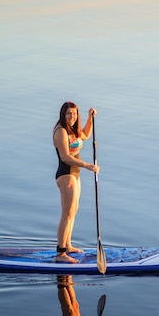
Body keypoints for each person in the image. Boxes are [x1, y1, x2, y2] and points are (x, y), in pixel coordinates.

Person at [53, 101, 99, 263]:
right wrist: (87, 165)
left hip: (75, 174)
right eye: (69, 114)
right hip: (65, 174)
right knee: (66, 214)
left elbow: (85, 135)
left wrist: (90, 117)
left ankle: (68, 245)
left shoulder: (72, 129)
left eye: (74, 114)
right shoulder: (61, 131)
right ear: (63, 114)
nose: (72, 117)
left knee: (73, 211)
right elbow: (65, 157)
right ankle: (60, 254)